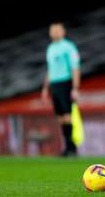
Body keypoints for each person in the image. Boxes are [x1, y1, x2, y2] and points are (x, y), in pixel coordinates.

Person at [41, 22, 81, 156]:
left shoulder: (68, 47)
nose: (55, 32)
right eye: (52, 30)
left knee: (67, 115)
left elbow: (75, 68)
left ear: (63, 32)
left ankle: (72, 147)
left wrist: (75, 88)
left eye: (57, 30)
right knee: (60, 117)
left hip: (65, 82)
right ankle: (68, 146)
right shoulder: (50, 48)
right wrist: (45, 88)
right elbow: (50, 69)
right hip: (54, 84)